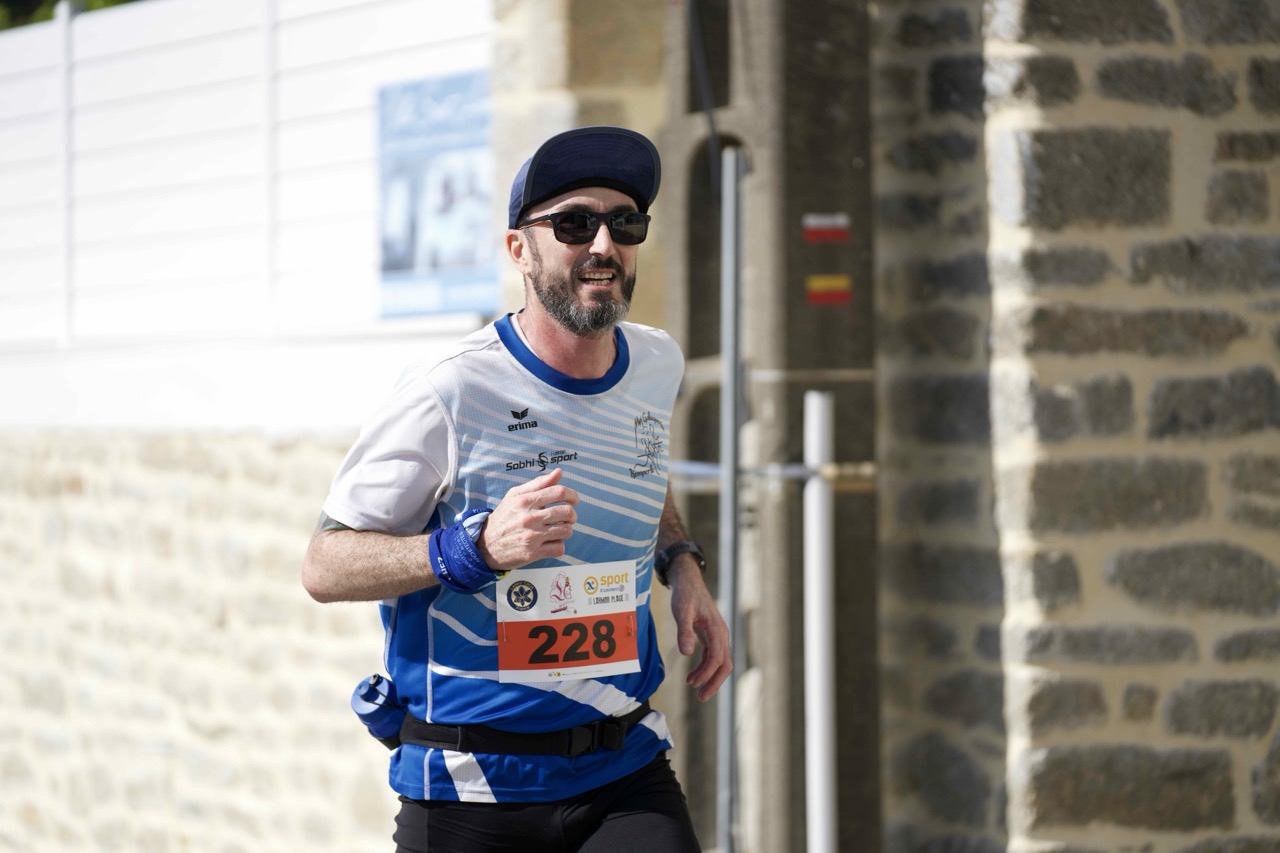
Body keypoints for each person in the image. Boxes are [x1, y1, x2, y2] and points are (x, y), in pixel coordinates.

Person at [302, 125, 732, 853]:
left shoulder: (656, 363)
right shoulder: (451, 389)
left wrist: (682, 563)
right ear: (519, 249)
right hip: (472, 781)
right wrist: (473, 549)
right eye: (574, 224)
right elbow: (324, 565)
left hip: (621, 763)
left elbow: (640, 463)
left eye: (624, 223)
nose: (603, 245)